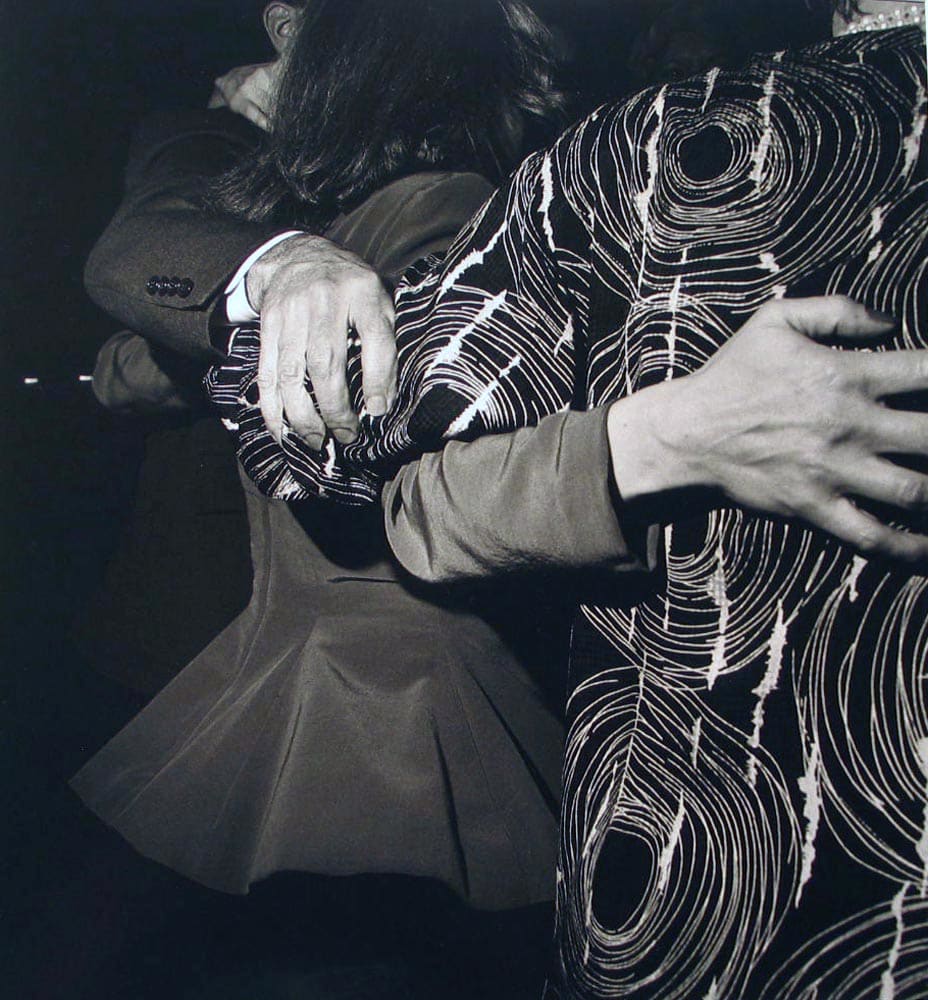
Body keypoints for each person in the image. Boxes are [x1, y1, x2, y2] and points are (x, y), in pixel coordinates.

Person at [205, 1, 928, 996]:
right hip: (429, 714)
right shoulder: (497, 188)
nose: (553, 72)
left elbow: (284, 415)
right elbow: (369, 454)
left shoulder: (637, 149)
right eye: (530, 44)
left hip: (687, 866)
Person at [72, 0, 570, 917]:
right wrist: (264, 280)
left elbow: (431, 469)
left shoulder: (440, 204)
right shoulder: (240, 158)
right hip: (206, 631)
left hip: (368, 685)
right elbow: (142, 253)